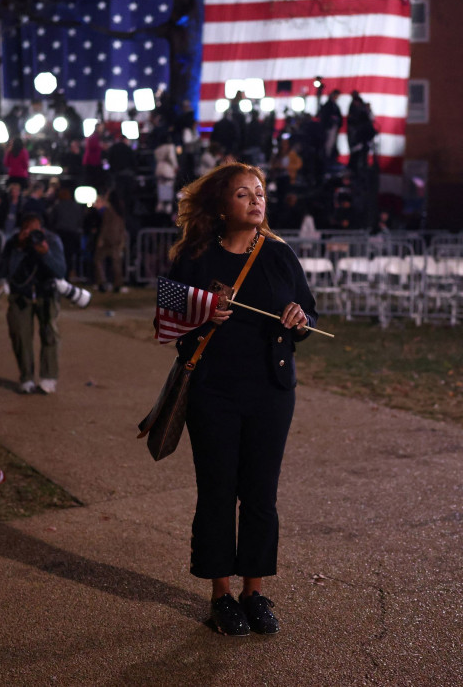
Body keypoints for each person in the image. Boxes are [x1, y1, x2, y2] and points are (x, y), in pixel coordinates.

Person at [164, 163, 317, 637]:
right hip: (214, 392)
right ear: (220, 204)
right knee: (216, 492)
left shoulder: (278, 255)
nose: (256, 200)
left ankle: (255, 591)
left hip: (271, 392)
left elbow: (308, 311)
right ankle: (222, 595)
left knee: (260, 494)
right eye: (243, 194)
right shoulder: (194, 256)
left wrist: (298, 318)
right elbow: (170, 315)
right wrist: (208, 315)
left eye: (260, 193)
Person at [0, 212, 67, 394]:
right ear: (21, 230)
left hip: (46, 294)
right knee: (20, 335)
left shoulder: (52, 240)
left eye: (35, 230)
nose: (32, 235)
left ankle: (48, 378)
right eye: (27, 230)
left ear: (42, 229)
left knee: (49, 334)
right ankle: (26, 377)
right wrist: (19, 248)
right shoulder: (14, 243)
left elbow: (60, 271)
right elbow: (3, 270)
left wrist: (46, 253)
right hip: (21, 296)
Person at [92, 189, 128, 293]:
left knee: (98, 260)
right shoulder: (120, 210)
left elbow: (105, 226)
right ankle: (118, 284)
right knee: (116, 262)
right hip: (117, 239)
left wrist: (101, 239)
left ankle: (101, 283)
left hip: (108, 239)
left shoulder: (109, 210)